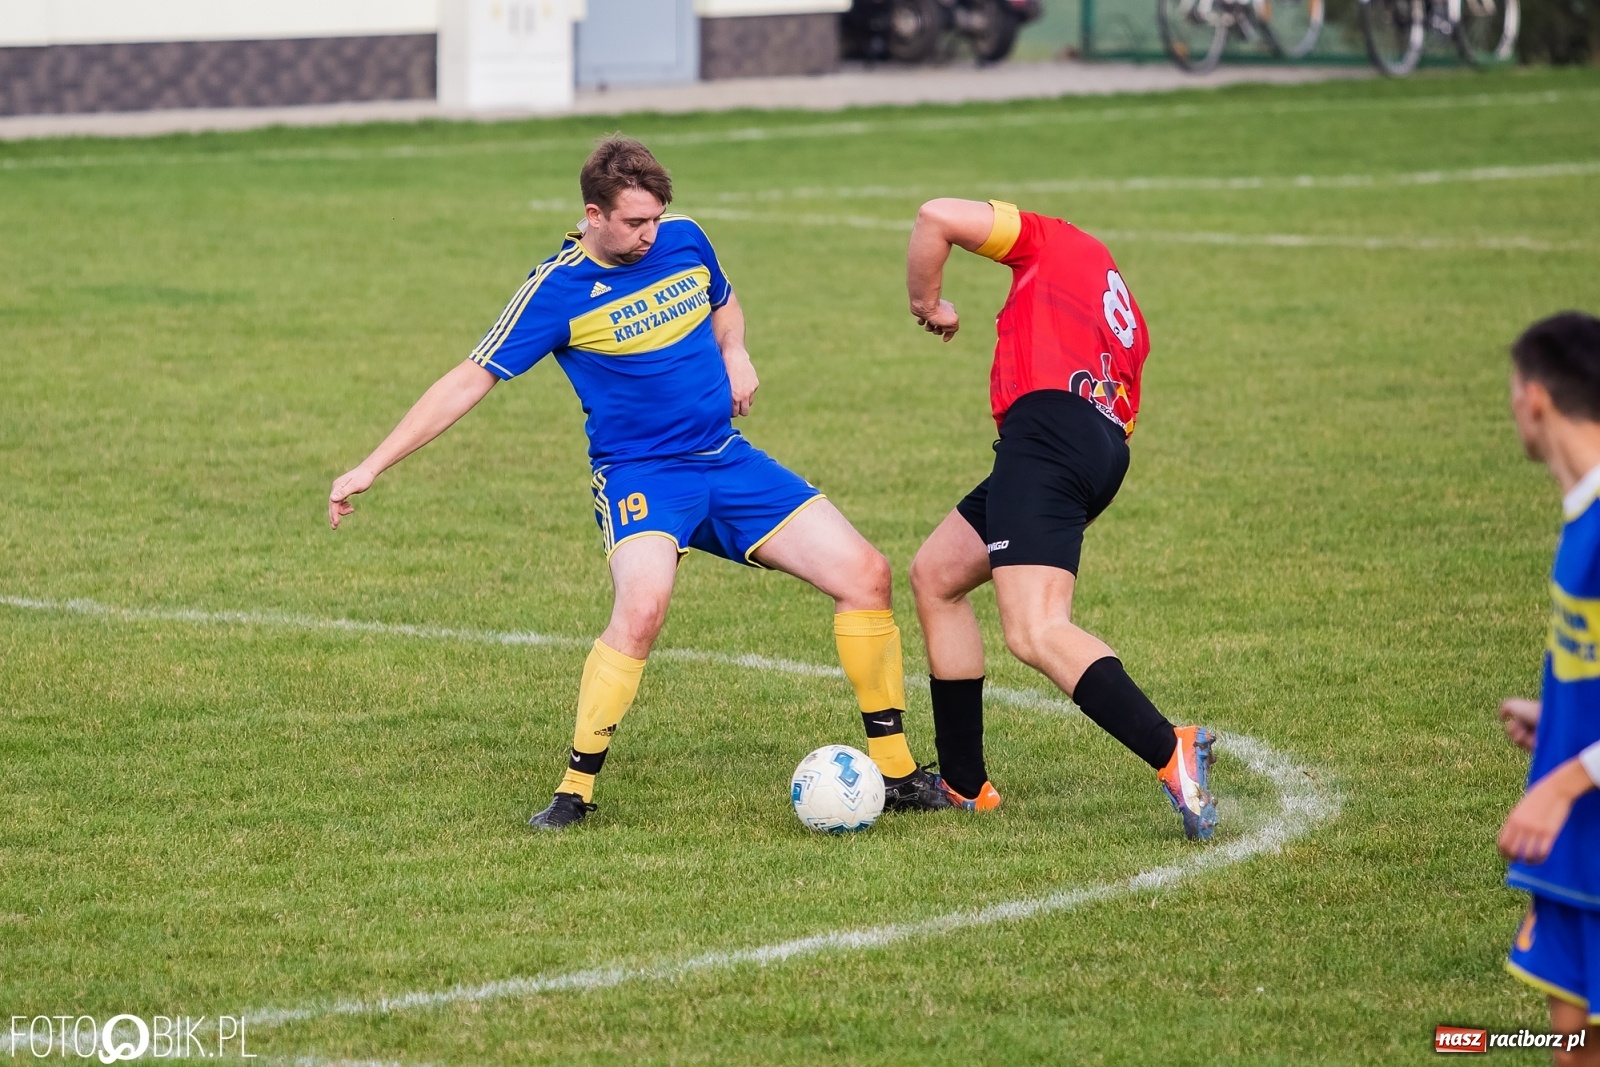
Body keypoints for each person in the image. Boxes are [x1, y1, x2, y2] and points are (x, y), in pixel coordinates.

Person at [328, 137, 948, 830]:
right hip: (644, 478)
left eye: (656, 219)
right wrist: (371, 463)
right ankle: (574, 791)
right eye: (634, 223)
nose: (649, 235)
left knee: (866, 572)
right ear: (594, 214)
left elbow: (726, 300)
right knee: (643, 607)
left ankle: (895, 772)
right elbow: (467, 379)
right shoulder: (555, 290)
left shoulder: (685, 242)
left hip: (727, 459)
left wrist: (735, 348)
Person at [902, 197, 1217, 840]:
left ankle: (1170, 749)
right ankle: (965, 784)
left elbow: (936, 217)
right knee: (936, 575)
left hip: (1047, 435)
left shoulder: (1050, 239)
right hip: (1097, 447)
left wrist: (928, 306)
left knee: (1036, 629)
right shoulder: (1121, 309)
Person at [1497, 311, 1600, 1064]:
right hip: (1577, 846)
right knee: (1572, 1047)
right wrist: (1561, 715)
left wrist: (1565, 780)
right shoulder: (1580, 516)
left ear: (1536, 399)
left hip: (1578, 811)